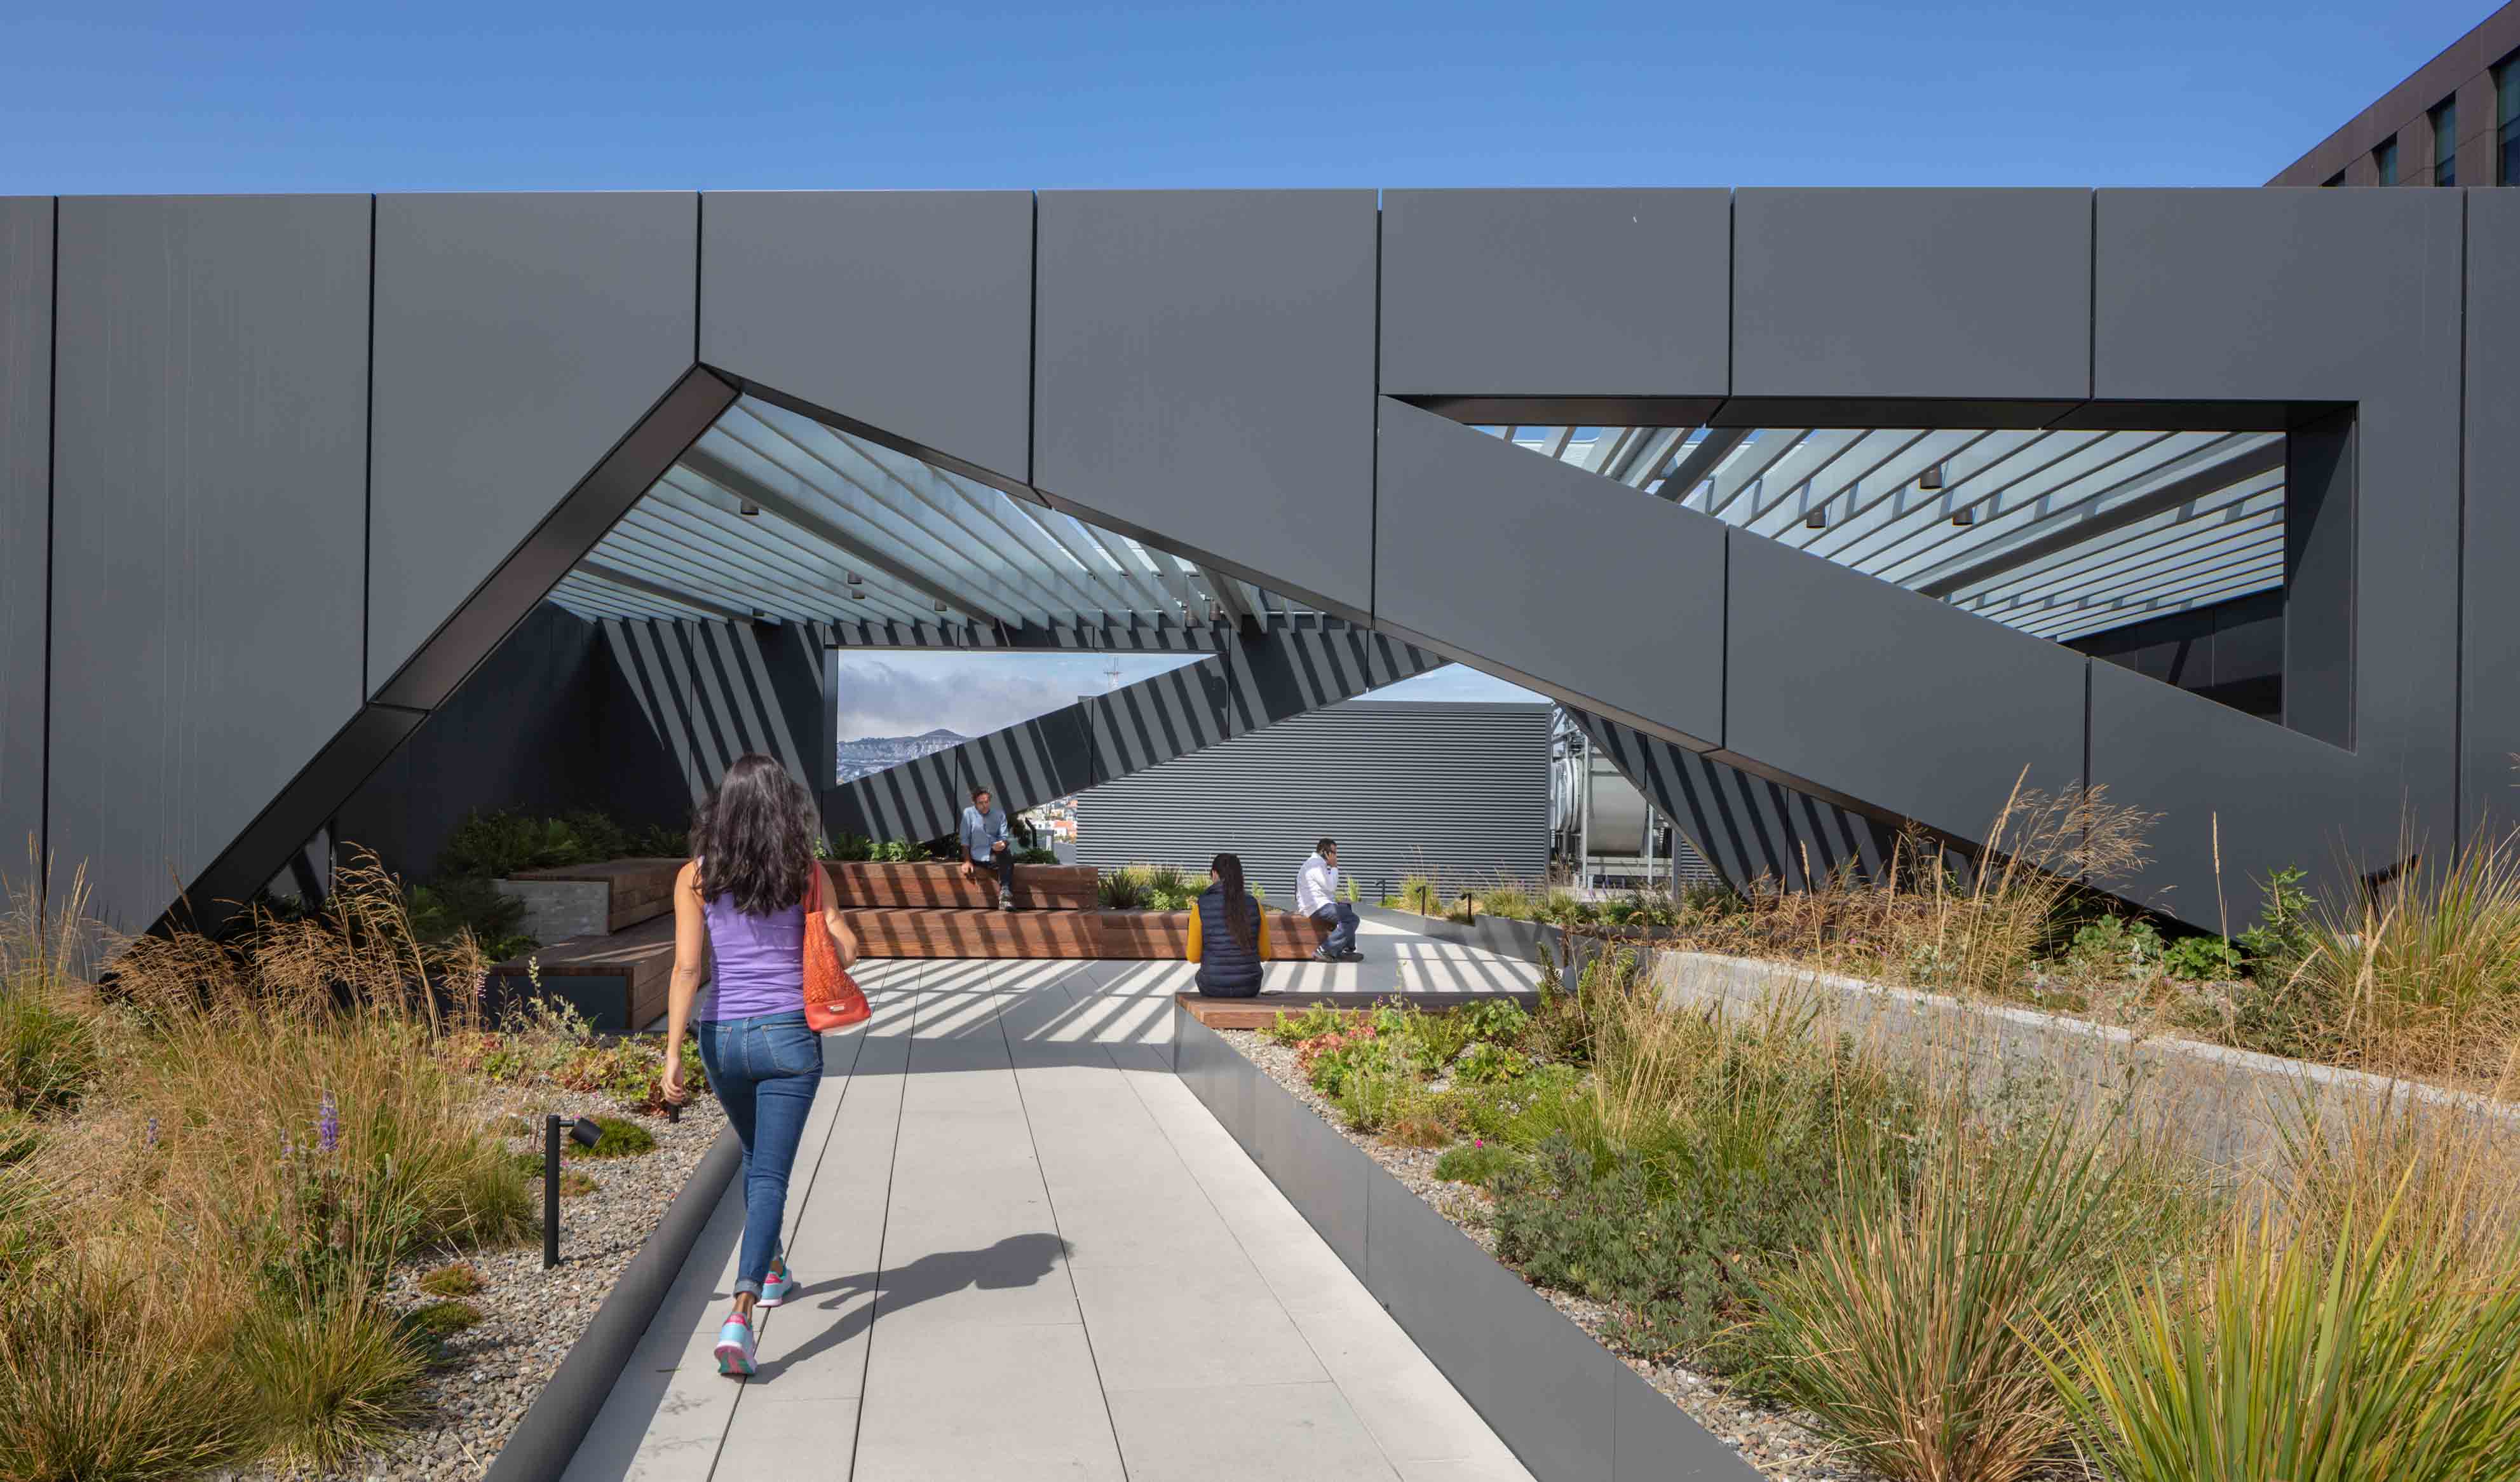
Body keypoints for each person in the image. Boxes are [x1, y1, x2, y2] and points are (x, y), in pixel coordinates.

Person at [661, 753, 861, 1379]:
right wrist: (836, 928)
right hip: (789, 1038)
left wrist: (671, 1052)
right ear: (784, 808)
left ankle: (773, 1267)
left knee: (754, 1155)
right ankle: (742, 1312)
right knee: (769, 1171)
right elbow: (847, 952)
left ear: (723, 807)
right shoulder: (804, 870)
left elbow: (689, 969)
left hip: (721, 1038)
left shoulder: (695, 876)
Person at [1187, 852, 1271, 997]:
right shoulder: (1254, 904)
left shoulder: (1201, 906)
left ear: (1214, 874)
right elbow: (1265, 954)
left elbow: (1193, 957)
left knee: (1201, 976)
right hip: (1249, 986)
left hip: (1212, 987)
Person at [1296, 838, 1362, 962]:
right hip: (1316, 907)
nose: (1335, 856)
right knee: (1352, 919)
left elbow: (1325, 890)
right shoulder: (1314, 865)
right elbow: (1331, 887)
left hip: (1320, 904)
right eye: (1333, 853)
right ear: (1323, 852)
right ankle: (1324, 950)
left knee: (1346, 908)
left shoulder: (1317, 864)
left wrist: (1338, 902)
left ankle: (1345, 949)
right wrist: (1334, 867)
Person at [960, 785, 1015, 910]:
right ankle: (1005, 897)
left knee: (1005, 853)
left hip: (996, 855)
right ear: (975, 803)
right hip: (978, 856)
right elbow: (965, 840)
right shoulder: (968, 813)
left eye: (987, 802)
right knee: (1006, 859)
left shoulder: (999, 815)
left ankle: (1005, 893)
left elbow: (1005, 838)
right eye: (981, 803)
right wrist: (967, 861)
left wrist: (1003, 844)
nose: (985, 805)